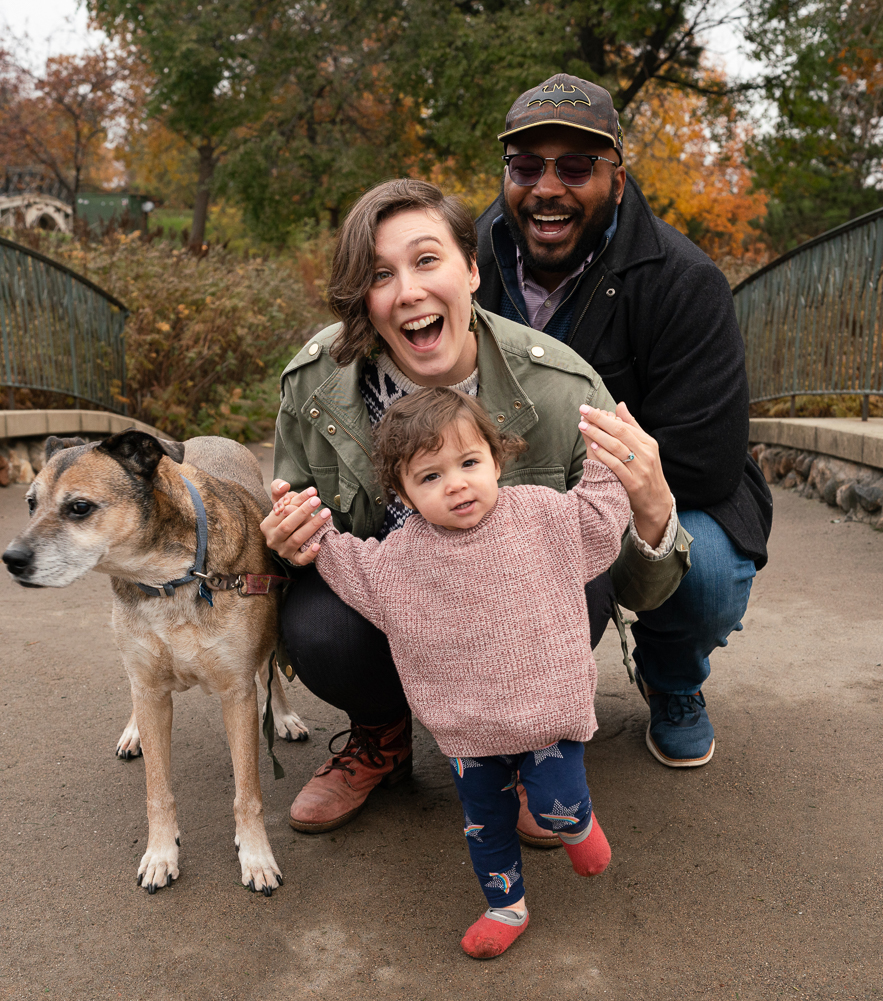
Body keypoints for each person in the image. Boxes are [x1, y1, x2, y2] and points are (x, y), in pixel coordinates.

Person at [261, 178, 691, 839]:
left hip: (516, 615)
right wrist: (284, 543)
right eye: (380, 274)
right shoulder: (315, 383)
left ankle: (529, 746)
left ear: (471, 269)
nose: (407, 291)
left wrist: (656, 510)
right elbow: (299, 525)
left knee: (585, 582)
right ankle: (383, 734)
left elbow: (635, 587)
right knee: (315, 618)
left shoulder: (560, 388)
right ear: (364, 299)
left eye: (427, 260)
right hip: (394, 594)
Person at [475, 73, 774, 768]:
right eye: (526, 166)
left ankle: (672, 677)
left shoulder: (683, 279)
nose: (547, 187)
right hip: (500, 486)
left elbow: (705, 459)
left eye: (576, 166)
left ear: (616, 177)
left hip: (650, 493)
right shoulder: (464, 260)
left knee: (705, 572)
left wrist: (575, 502)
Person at [274, 386, 628, 958]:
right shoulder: (400, 557)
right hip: (467, 732)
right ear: (403, 493)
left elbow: (599, 517)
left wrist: (609, 459)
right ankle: (505, 907)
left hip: (548, 713)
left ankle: (577, 824)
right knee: (484, 826)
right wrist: (310, 530)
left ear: (495, 456)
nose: (457, 483)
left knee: (558, 799)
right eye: (430, 476)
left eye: (469, 463)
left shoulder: (542, 514)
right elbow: (349, 562)